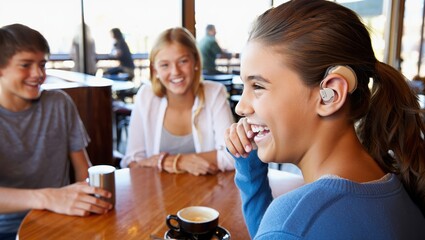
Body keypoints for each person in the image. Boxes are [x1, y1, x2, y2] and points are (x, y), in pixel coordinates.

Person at [224, 0, 425, 239]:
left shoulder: (293, 223)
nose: (241, 107)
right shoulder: (390, 178)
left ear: (329, 95)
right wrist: (251, 168)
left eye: (258, 85)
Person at [0, 24, 113, 240]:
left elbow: (83, 169)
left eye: (42, 64)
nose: (38, 74)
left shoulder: (59, 103)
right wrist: (47, 197)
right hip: (6, 230)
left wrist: (89, 204)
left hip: (60, 217)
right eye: (25, 65)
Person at [120, 27, 235, 175]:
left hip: (208, 192)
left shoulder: (214, 93)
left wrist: (175, 161)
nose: (175, 72)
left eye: (183, 61)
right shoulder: (146, 96)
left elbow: (232, 156)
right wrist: (180, 162)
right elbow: (133, 162)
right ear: (155, 71)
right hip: (156, 193)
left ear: (195, 62)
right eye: (165, 65)